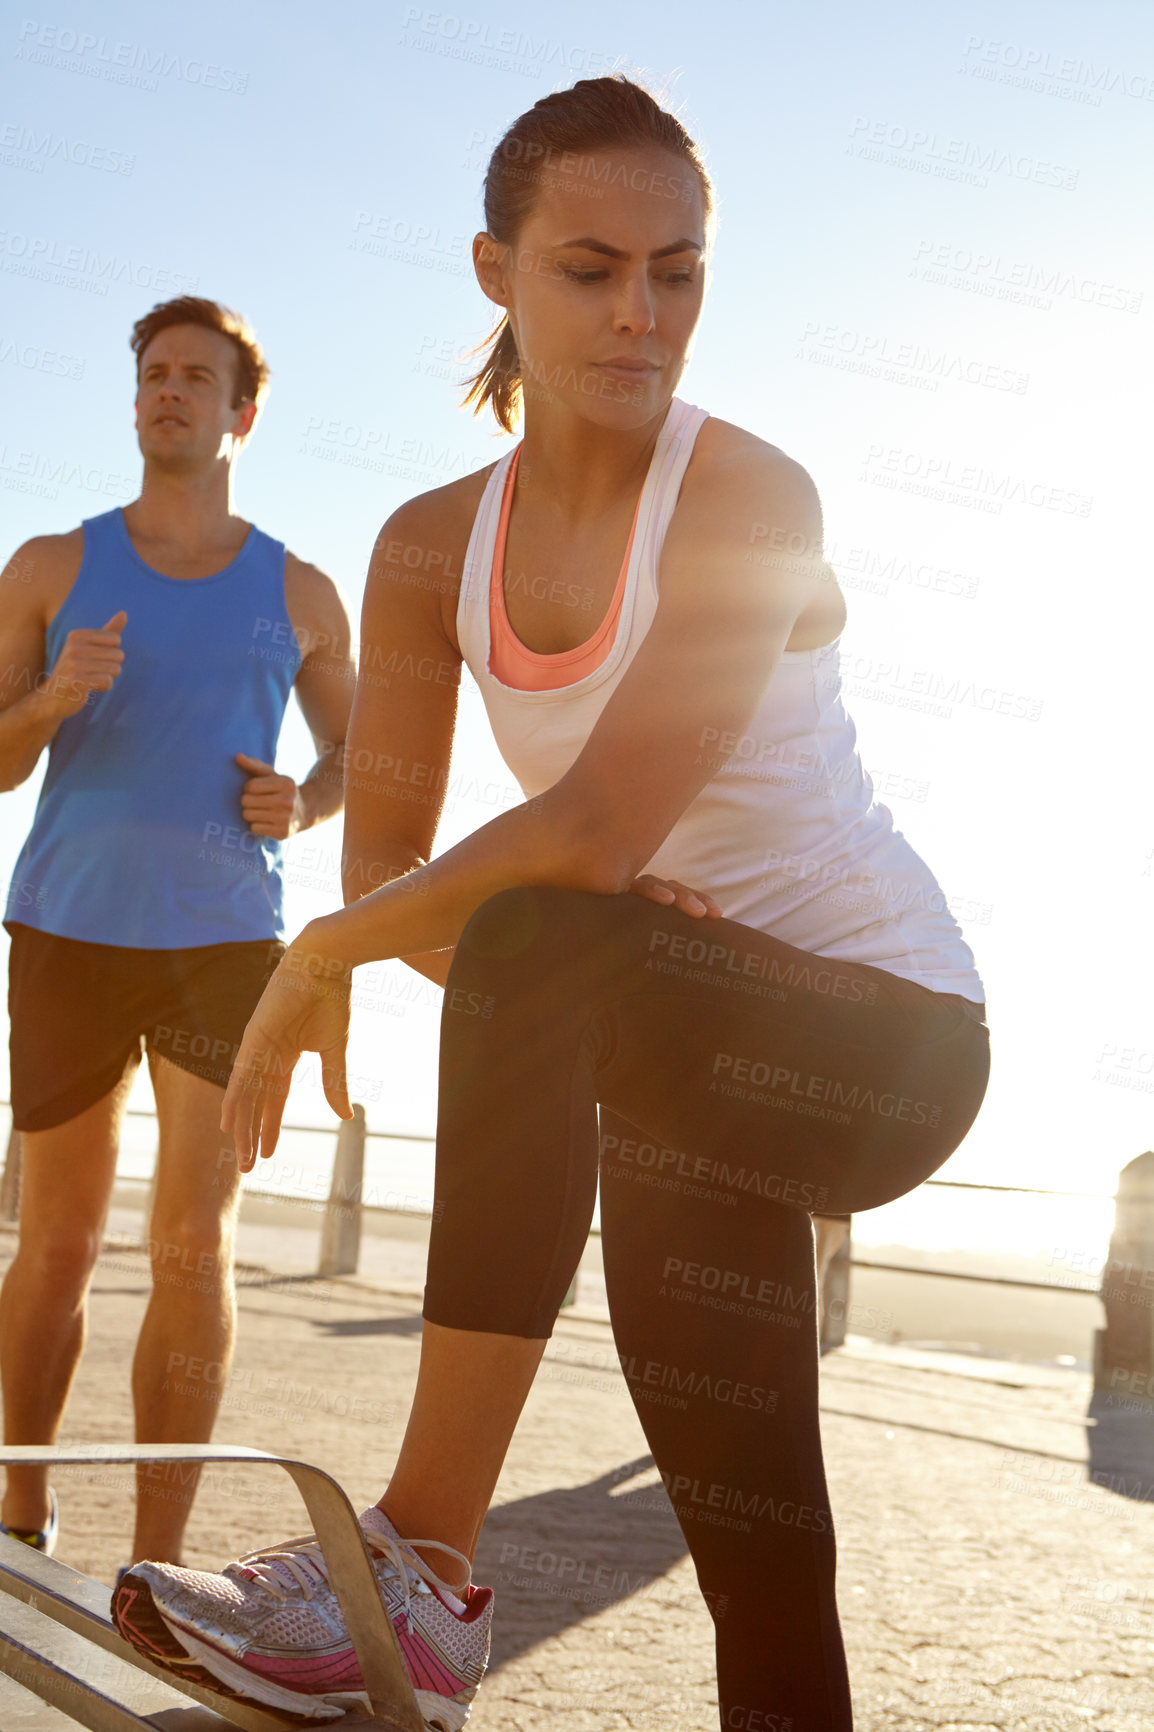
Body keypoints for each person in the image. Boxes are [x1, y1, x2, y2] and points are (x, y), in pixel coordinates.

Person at [112, 78, 990, 1732]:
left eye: (677, 270)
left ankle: (421, 1564)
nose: (639, 312)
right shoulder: (435, 547)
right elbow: (398, 878)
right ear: (491, 270)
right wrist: (408, 934)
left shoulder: (747, 496)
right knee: (755, 1548)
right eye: (588, 268)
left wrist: (330, 949)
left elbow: (579, 835)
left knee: (541, 926)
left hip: (883, 1038)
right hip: (671, 1064)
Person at [0, 296, 355, 1567]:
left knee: (192, 1242)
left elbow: (358, 752)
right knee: (58, 1242)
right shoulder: (50, 566)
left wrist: (302, 801)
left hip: (223, 944)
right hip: (66, 929)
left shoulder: (300, 590)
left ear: (240, 414)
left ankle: (158, 1561)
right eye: (155, 372)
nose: (171, 390)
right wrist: (52, 694)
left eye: (198, 377)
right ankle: (20, 1513)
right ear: (135, 395)